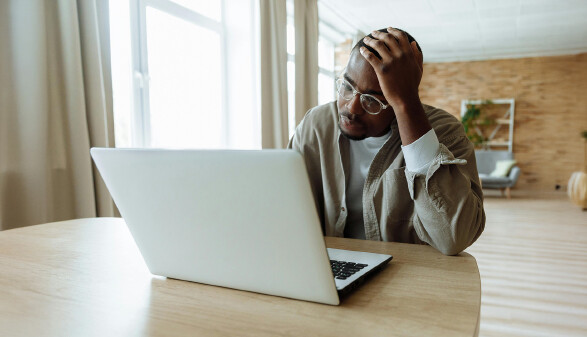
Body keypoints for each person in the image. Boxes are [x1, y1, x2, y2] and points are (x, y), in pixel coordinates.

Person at [288, 27, 485, 255]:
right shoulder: (317, 124)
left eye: (372, 100)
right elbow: (284, 204)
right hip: (326, 267)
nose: (351, 107)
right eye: (347, 86)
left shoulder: (445, 132)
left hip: (407, 276)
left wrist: (407, 105)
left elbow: (454, 237)